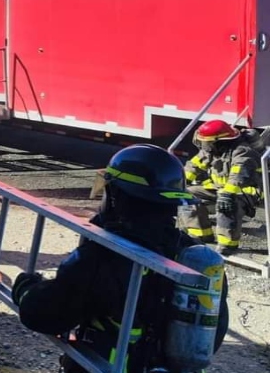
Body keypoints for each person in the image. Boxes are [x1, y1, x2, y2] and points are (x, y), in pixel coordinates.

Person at [12, 144, 229, 373]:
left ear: (116, 195)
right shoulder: (194, 257)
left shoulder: (107, 255)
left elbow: (45, 314)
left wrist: (26, 288)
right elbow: (214, 330)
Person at [178, 119, 264, 254]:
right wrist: (178, 182)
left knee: (226, 203)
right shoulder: (212, 151)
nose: (204, 145)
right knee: (186, 194)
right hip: (221, 188)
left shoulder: (242, 152)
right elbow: (193, 166)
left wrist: (226, 194)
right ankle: (201, 235)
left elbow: (239, 177)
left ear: (219, 141)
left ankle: (227, 245)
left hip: (245, 192)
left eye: (206, 142)